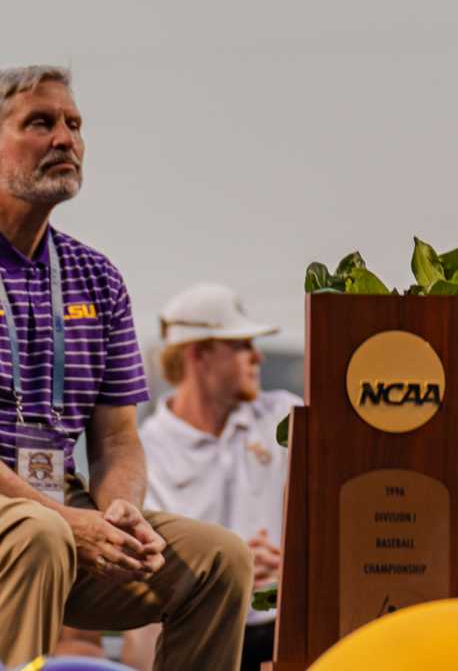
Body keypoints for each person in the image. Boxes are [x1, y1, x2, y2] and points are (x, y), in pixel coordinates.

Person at [0, 66, 252, 669]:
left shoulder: (97, 277)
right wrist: (64, 519)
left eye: (74, 124)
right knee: (41, 536)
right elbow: (48, 523)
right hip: (33, 524)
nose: (65, 139)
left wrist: (120, 513)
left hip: (55, 510)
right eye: (40, 122)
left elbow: (116, 438)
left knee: (220, 560)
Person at [123, 284, 297, 671]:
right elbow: (149, 567)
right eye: (241, 344)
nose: (258, 356)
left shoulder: (286, 416)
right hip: (201, 633)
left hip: (285, 630)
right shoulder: (144, 452)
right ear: (199, 354)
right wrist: (230, 569)